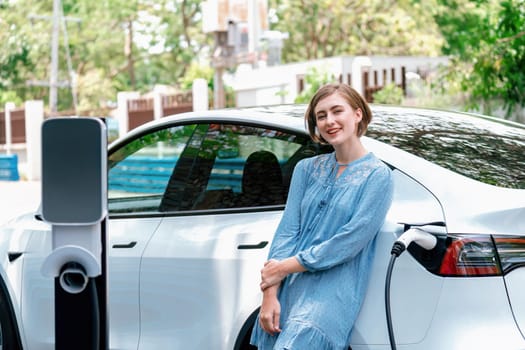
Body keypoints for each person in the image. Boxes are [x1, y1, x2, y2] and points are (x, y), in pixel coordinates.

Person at [249, 83, 394, 349]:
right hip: (289, 288)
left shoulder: (378, 176)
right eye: (321, 116)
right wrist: (270, 292)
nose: (330, 121)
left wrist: (284, 267)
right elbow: (287, 231)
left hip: (331, 295)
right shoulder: (305, 169)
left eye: (337, 111)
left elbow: (349, 242)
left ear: (358, 114)